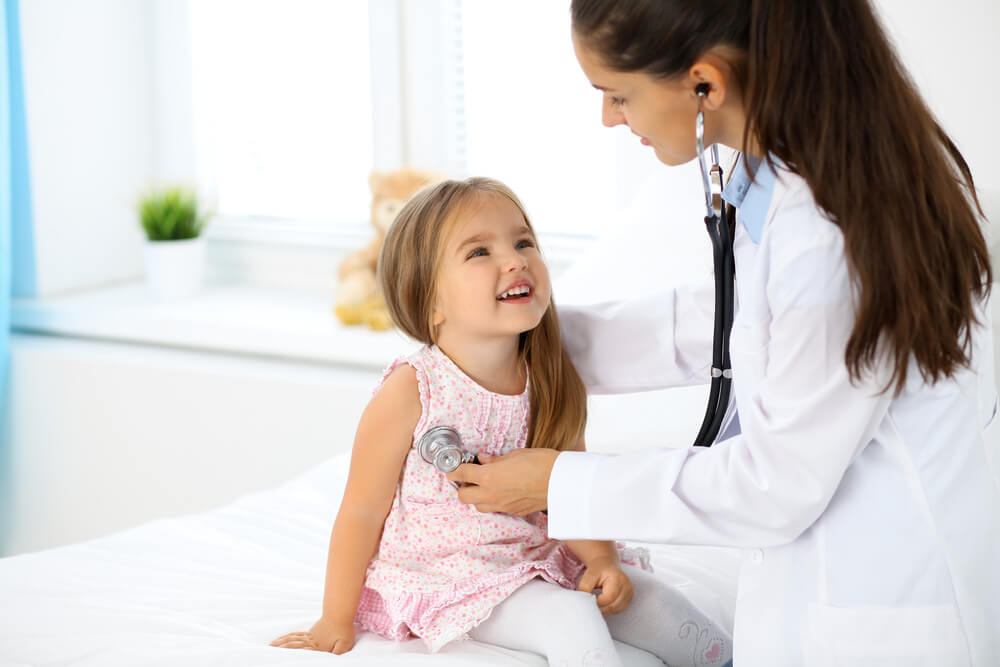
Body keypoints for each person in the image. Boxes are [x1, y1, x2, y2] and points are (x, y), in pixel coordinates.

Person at [446, 2, 1000, 665]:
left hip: (888, 616)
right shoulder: (785, 176)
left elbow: (776, 481)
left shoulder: (830, 237)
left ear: (704, 83)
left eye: (618, 95)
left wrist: (561, 483)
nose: (609, 118)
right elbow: (732, 320)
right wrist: (514, 343)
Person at [270, 177, 733, 666]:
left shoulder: (550, 375)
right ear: (430, 301)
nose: (514, 260)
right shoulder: (413, 389)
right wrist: (334, 619)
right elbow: (360, 512)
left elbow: (570, 486)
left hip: (542, 552)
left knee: (661, 605)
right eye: (478, 253)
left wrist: (602, 560)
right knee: (569, 619)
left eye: (523, 242)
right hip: (455, 571)